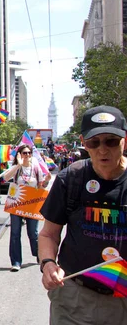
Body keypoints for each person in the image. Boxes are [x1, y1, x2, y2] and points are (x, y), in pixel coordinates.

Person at [40, 106, 127, 323]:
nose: (102, 150)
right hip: (73, 299)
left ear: (124, 140)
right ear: (83, 142)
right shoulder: (70, 179)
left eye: (111, 141)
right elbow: (49, 234)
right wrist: (48, 264)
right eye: (94, 143)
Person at [1, 144, 50, 272]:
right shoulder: (16, 168)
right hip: (17, 203)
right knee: (15, 233)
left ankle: (38, 254)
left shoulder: (35, 167)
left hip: (32, 204)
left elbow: (41, 186)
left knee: (33, 233)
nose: (27, 155)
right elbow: (5, 178)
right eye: (24, 153)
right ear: (20, 155)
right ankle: (16, 262)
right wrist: (18, 164)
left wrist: (47, 180)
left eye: (29, 153)